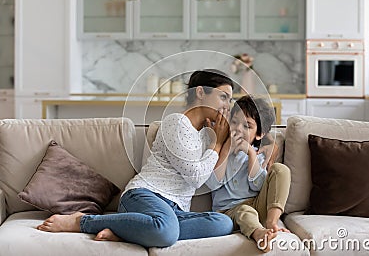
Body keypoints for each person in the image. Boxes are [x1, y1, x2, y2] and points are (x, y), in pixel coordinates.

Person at [36, 69, 235, 248]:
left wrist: (224, 142)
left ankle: (132, 231)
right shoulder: (176, 122)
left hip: (175, 212)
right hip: (144, 196)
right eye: (223, 97)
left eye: (230, 100)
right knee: (166, 232)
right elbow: (196, 178)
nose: (227, 106)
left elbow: (209, 180)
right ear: (200, 92)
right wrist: (216, 145)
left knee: (224, 223)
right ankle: (83, 222)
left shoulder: (205, 135)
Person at [205, 95, 291, 253]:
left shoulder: (260, 155)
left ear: (259, 134)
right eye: (235, 122)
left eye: (247, 126)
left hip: (259, 207)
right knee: (245, 211)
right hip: (229, 212)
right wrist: (226, 149)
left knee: (281, 170)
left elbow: (258, 185)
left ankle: (272, 223)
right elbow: (211, 183)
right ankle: (259, 234)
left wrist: (251, 154)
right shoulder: (219, 151)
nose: (238, 129)